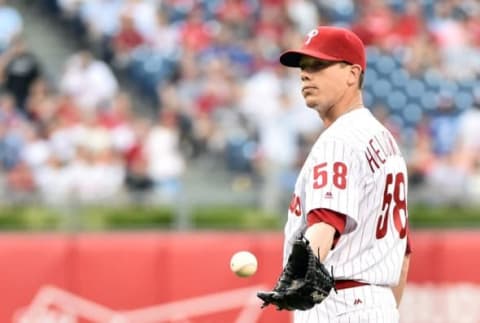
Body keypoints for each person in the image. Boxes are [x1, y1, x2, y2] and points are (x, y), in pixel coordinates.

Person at [262, 26, 411, 322]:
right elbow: (403, 256)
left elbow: (325, 224)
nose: (305, 74)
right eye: (303, 67)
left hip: (338, 305)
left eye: (318, 65)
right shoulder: (385, 141)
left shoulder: (339, 140)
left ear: (352, 74)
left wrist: (303, 277)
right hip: (377, 306)